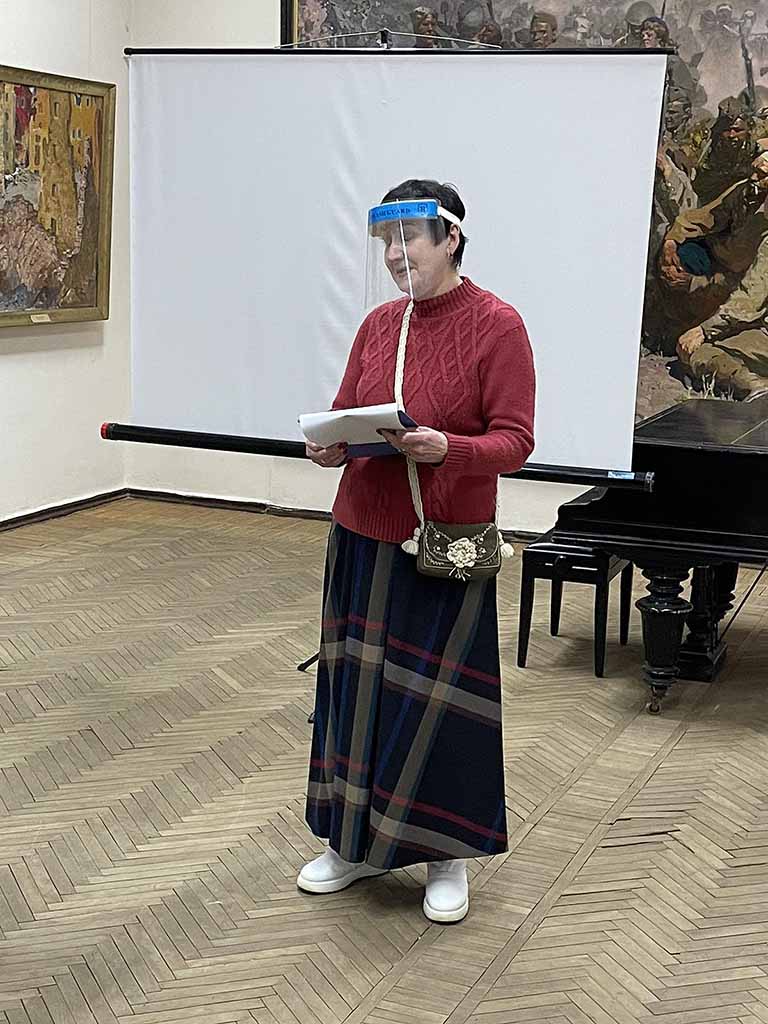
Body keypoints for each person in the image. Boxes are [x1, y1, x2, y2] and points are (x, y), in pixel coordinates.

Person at [299, 179, 535, 923]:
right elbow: (345, 414)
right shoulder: (378, 324)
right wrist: (330, 447)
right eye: (387, 243)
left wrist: (449, 449)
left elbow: (516, 441)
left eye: (410, 240)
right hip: (361, 537)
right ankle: (352, 845)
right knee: (355, 697)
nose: (396, 256)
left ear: (450, 238)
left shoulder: (498, 326)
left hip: (442, 545)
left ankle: (446, 858)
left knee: (438, 707)